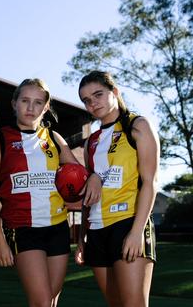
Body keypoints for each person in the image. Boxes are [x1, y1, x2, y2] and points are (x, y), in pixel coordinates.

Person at [0, 78, 101, 307]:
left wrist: (94, 177)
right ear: (14, 103)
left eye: (38, 102)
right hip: (22, 228)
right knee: (42, 302)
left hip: (57, 227)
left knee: (52, 300)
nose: (30, 107)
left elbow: (79, 180)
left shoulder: (55, 139)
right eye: (25, 100)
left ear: (46, 107)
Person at [75, 71, 159, 307]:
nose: (93, 103)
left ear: (115, 92)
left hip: (128, 222)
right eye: (86, 100)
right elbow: (88, 197)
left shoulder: (137, 125)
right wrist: (82, 237)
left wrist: (135, 232)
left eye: (98, 94)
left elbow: (150, 182)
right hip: (97, 229)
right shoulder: (90, 141)